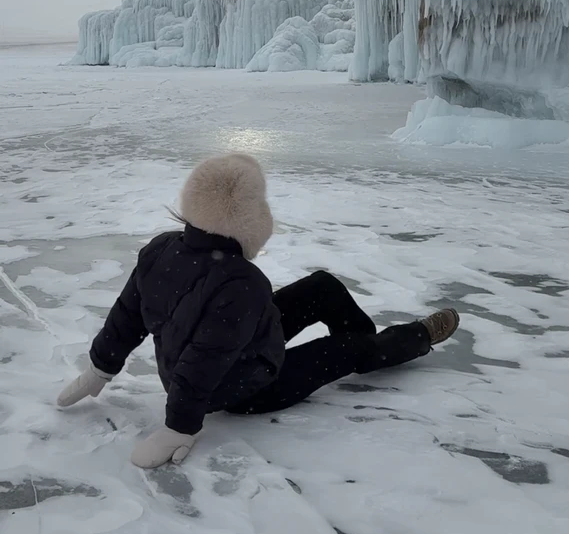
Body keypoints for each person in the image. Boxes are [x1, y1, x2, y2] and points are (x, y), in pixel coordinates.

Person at [57, 153, 460, 468]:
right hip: (242, 388)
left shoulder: (164, 246)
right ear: (250, 219)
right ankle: (411, 339)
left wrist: (99, 368)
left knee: (322, 286)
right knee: (351, 348)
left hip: (239, 346)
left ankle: (370, 348)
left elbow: (126, 314)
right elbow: (201, 360)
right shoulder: (240, 284)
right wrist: (179, 427)